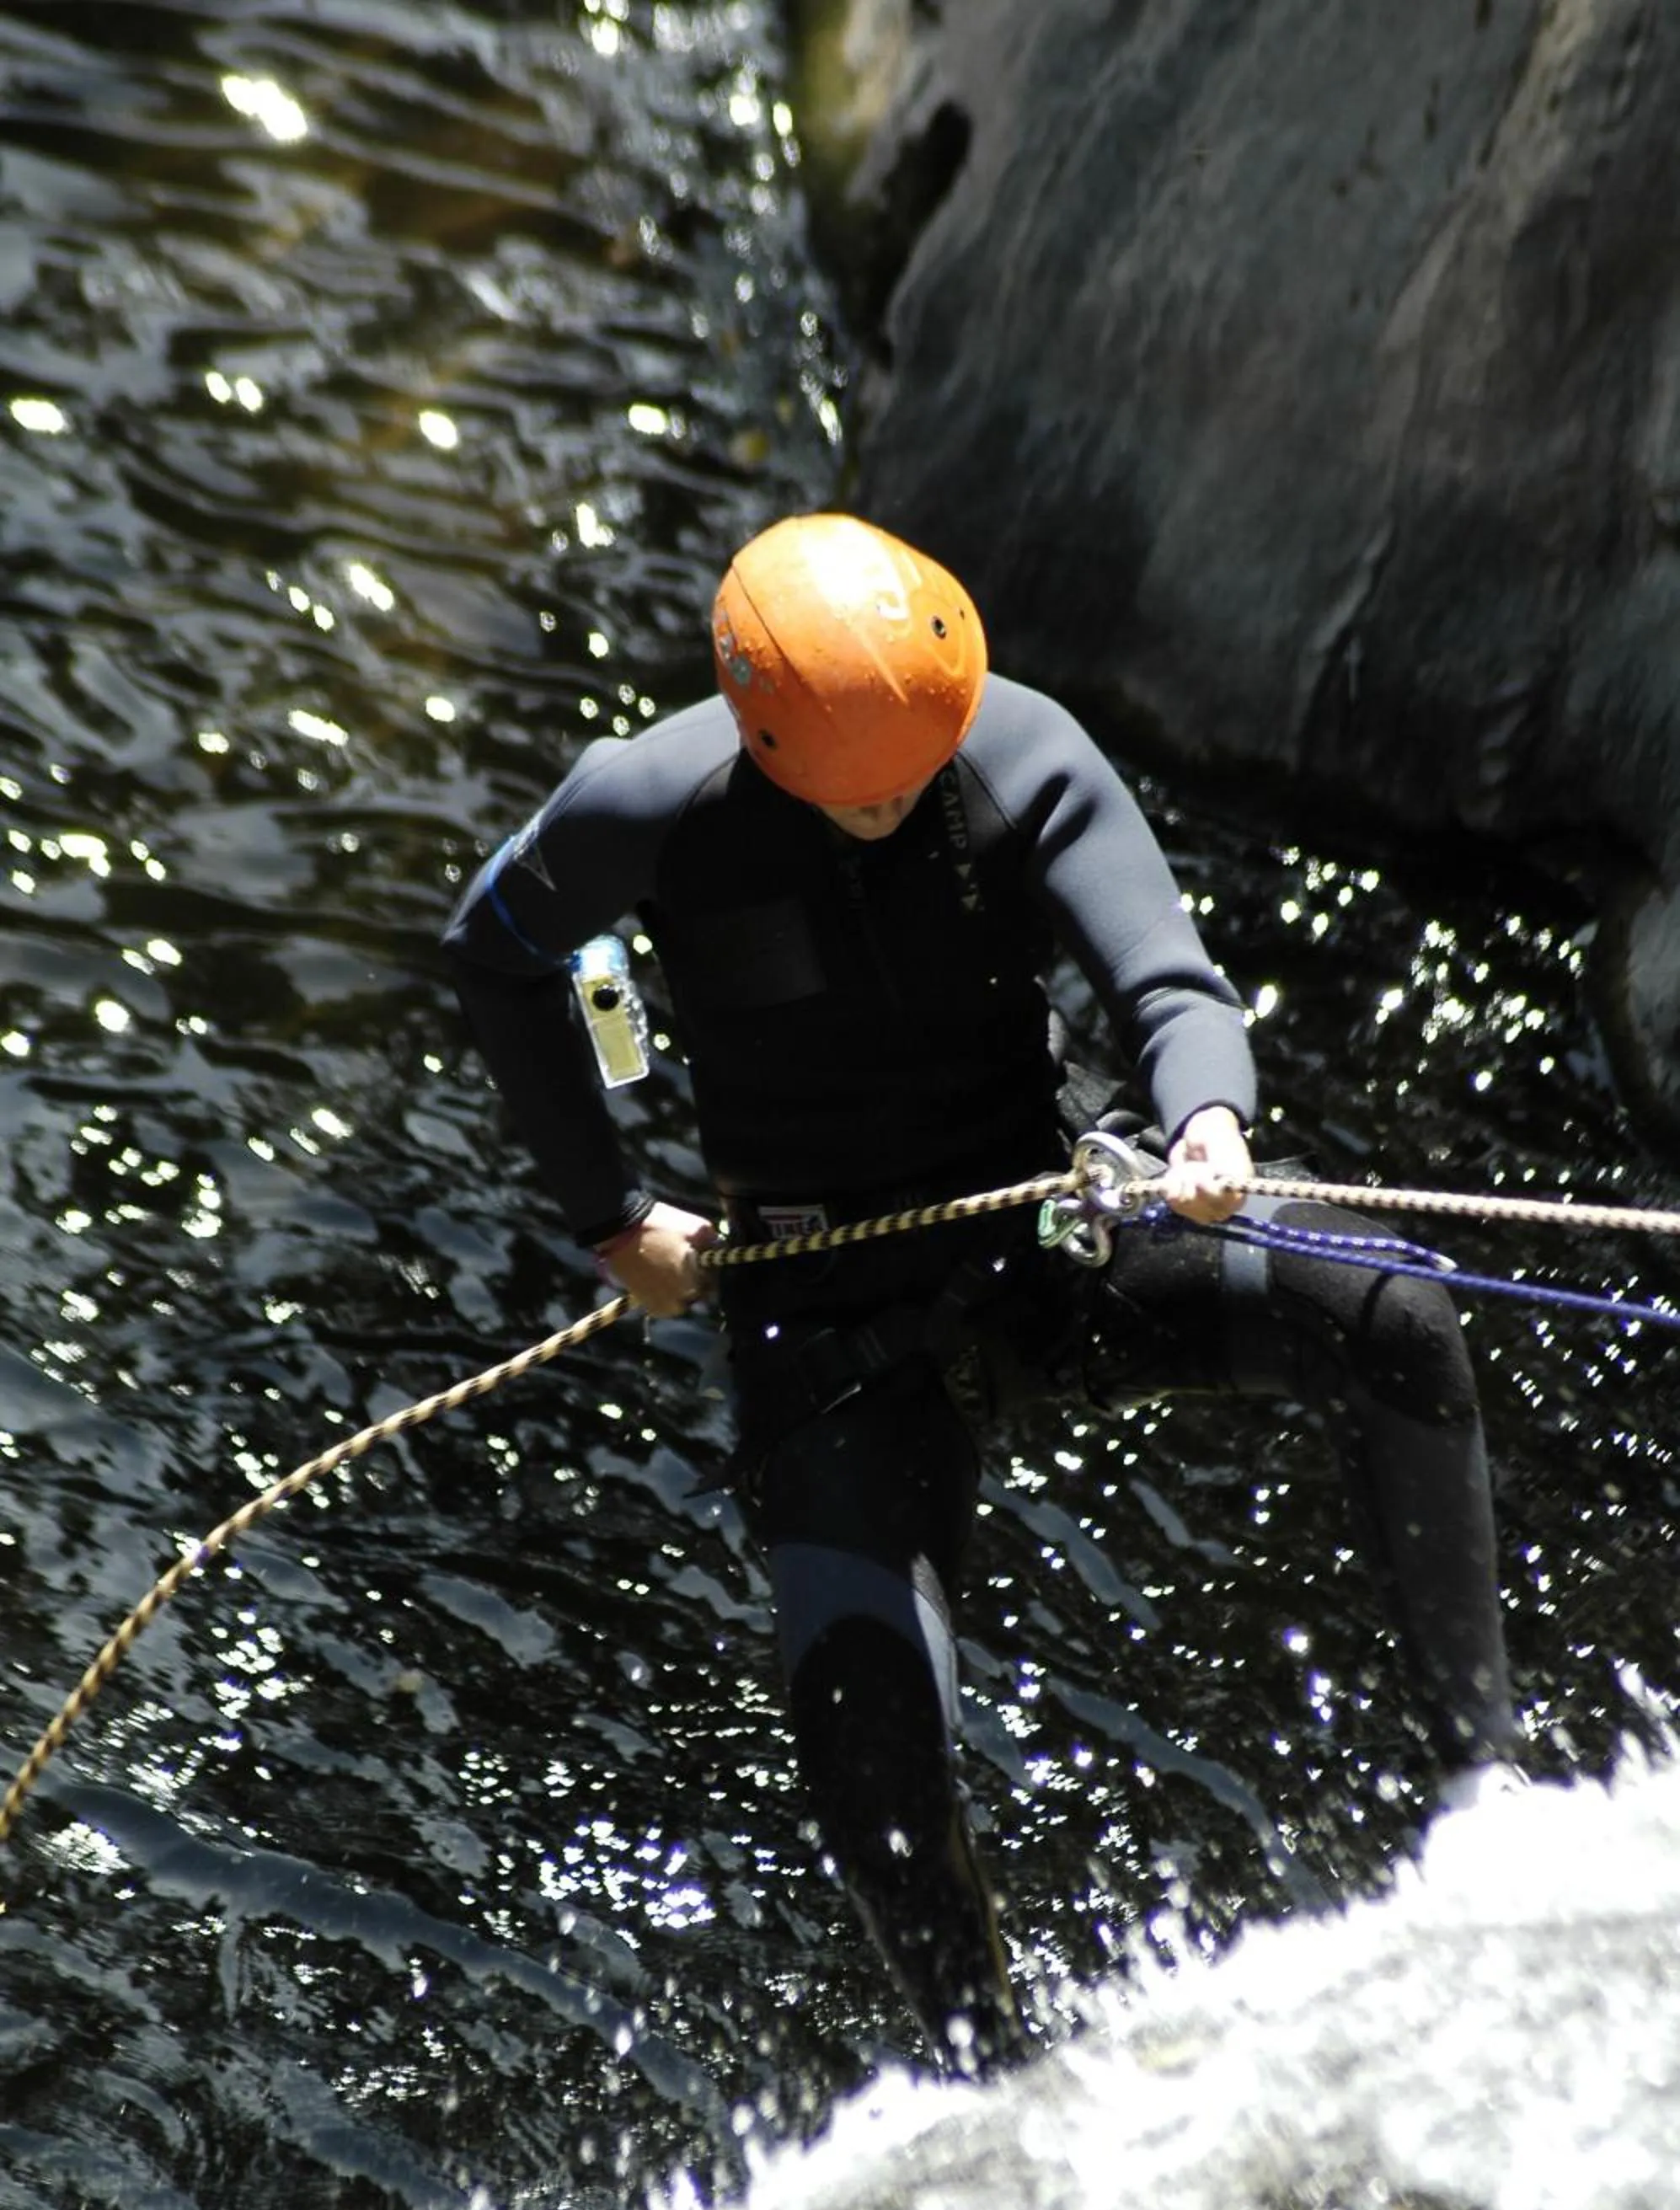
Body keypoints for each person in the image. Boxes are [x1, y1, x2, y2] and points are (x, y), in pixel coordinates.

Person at [442, 512, 1515, 2072]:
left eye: (912, 766)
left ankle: (1481, 1795)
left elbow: (1166, 983)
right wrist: (611, 1218)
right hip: (825, 1314)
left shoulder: (1012, 743)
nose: (889, 799)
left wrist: (1205, 1116)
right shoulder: (643, 806)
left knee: (1393, 1314)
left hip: (1053, 1231)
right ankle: (981, 2073)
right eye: (850, 784)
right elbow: (493, 957)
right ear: (756, 737)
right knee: (863, 1733)